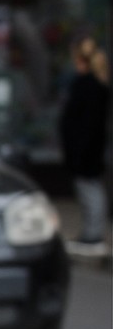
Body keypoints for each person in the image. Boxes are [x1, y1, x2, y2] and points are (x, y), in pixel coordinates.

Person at [59, 37, 110, 254]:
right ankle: (91, 232)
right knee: (89, 189)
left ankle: (93, 234)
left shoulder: (89, 85)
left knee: (90, 190)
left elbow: (85, 122)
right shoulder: (94, 83)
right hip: (88, 147)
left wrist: (79, 148)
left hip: (87, 148)